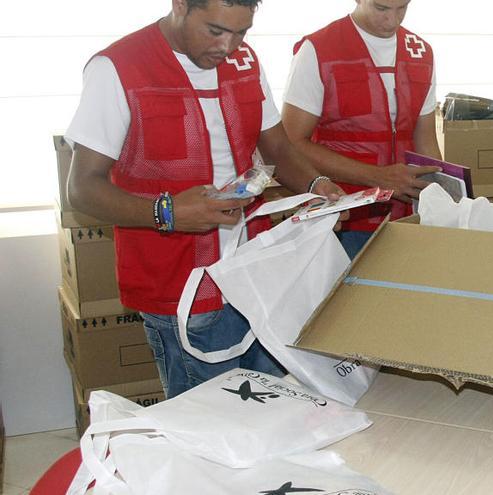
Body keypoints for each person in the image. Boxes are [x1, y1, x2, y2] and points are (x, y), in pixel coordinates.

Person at [65, 0, 345, 398]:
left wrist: (317, 187)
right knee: (207, 432)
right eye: (215, 30)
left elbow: (278, 151)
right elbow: (82, 189)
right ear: (180, 5)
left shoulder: (244, 61)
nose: (228, 47)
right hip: (182, 291)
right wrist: (167, 212)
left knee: (276, 411)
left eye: (241, 32)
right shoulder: (118, 68)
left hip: (255, 281)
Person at [281, 0, 443, 259]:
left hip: (406, 221)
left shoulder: (421, 52)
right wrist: (377, 177)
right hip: (343, 217)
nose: (392, 20)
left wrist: (443, 194)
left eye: (402, 8)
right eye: (381, 8)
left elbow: (425, 138)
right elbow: (290, 144)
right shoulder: (318, 49)